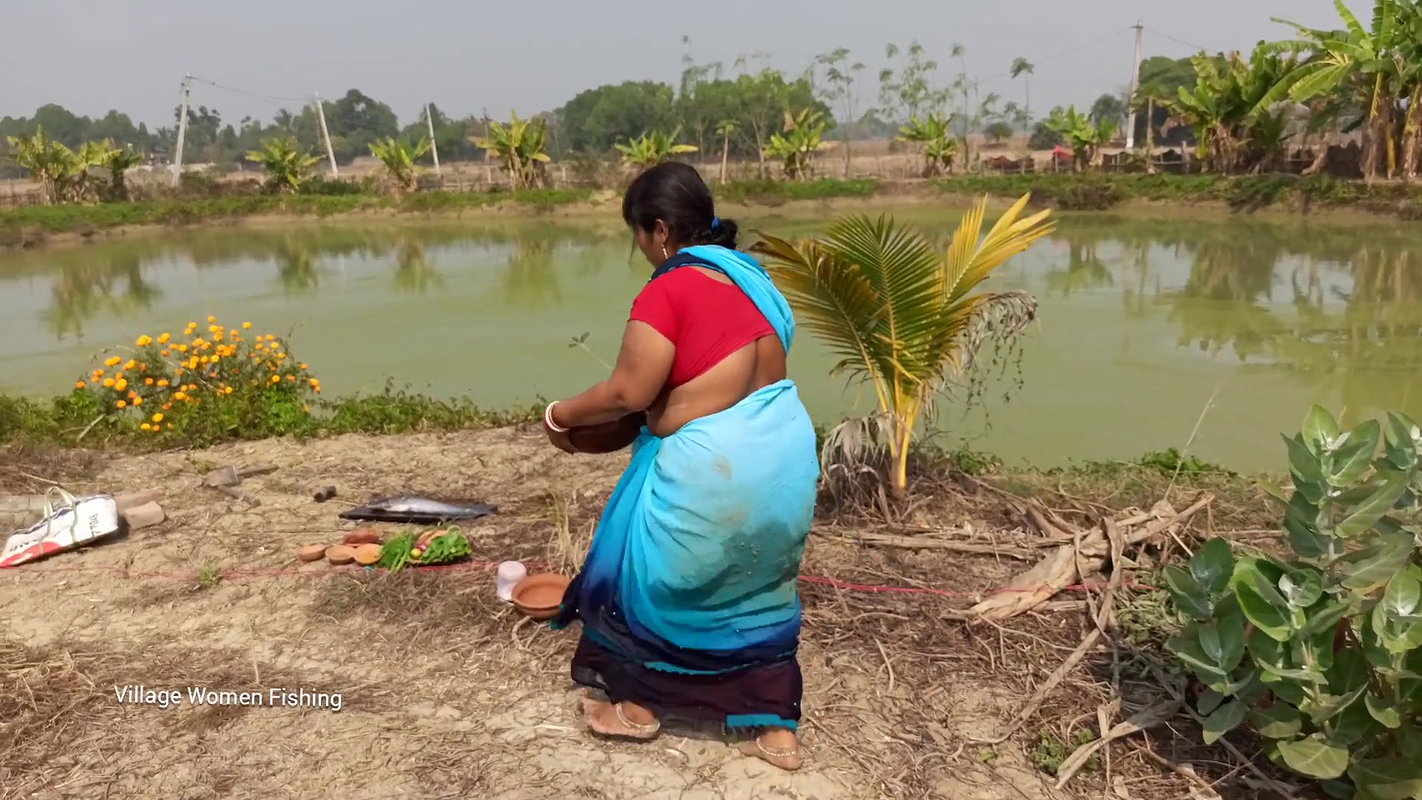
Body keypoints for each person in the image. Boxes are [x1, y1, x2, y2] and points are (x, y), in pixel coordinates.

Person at [542, 162, 819, 771]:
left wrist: (558, 414)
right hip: (786, 455)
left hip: (712, 467)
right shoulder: (753, 279)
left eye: (638, 236)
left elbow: (627, 394)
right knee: (759, 590)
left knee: (653, 585)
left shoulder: (669, 288)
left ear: (659, 230)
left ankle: (639, 709)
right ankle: (775, 731)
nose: (640, 249)